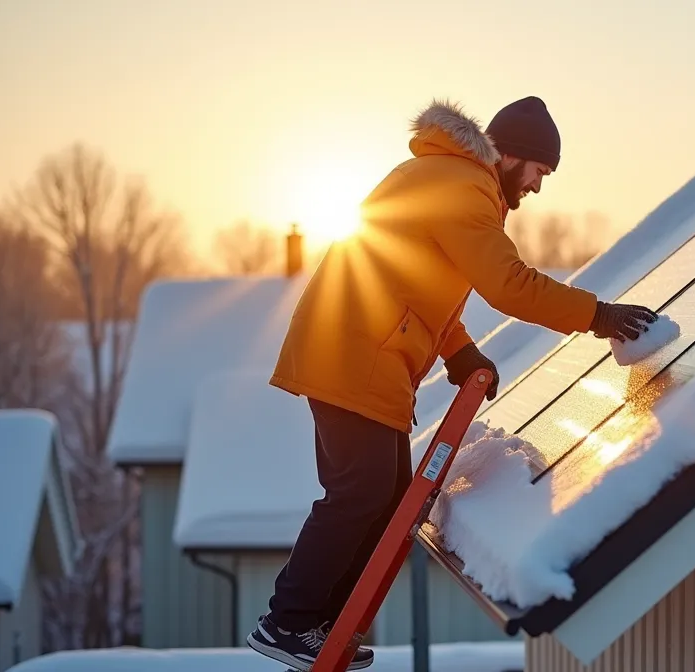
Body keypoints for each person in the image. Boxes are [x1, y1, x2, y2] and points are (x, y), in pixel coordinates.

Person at [246, 95, 658, 671]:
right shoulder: (465, 189)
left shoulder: (443, 177)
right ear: (510, 156)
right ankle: (288, 621)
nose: (538, 186)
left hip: (364, 351)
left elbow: (415, 281)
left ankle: (320, 624)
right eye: (539, 171)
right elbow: (509, 284)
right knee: (360, 493)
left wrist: (459, 352)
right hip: (355, 353)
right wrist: (598, 315)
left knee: (386, 496)